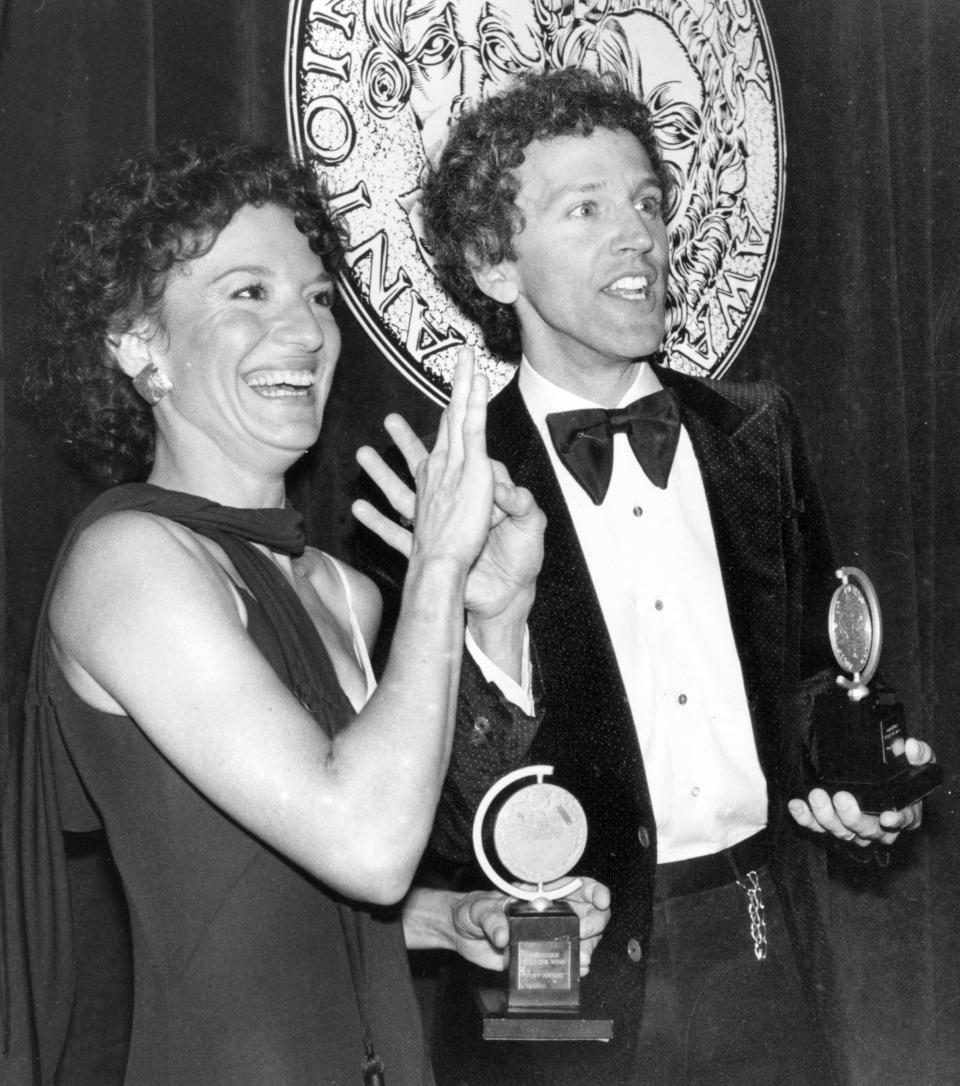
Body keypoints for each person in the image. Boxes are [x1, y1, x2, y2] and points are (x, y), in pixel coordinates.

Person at [355, 67, 938, 1086]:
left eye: (648, 205)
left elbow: (805, 683)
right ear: (497, 267)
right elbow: (424, 825)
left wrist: (855, 779)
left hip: (760, 931)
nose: (639, 237)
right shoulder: (448, 487)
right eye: (587, 209)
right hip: (552, 958)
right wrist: (491, 632)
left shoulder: (756, 434)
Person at [9, 138, 609, 1086]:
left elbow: (331, 862)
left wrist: (494, 619)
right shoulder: (128, 561)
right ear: (139, 346)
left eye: (319, 298)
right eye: (248, 293)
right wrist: (441, 575)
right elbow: (366, 844)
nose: (306, 332)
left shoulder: (342, 588)